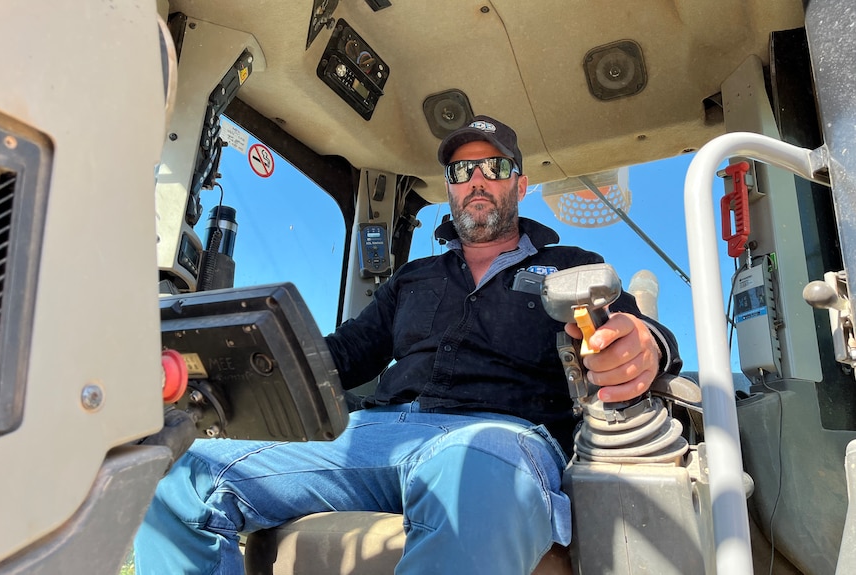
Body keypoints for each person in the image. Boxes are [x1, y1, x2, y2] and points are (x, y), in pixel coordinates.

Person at [134, 115, 682, 574]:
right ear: (450, 185)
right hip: (373, 435)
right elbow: (344, 354)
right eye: (462, 170)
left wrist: (645, 346)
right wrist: (240, 365)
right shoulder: (414, 278)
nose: (477, 180)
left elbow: (633, 330)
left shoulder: (570, 265)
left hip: (498, 435)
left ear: (520, 183)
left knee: (474, 470)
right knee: (184, 473)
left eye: (494, 167)